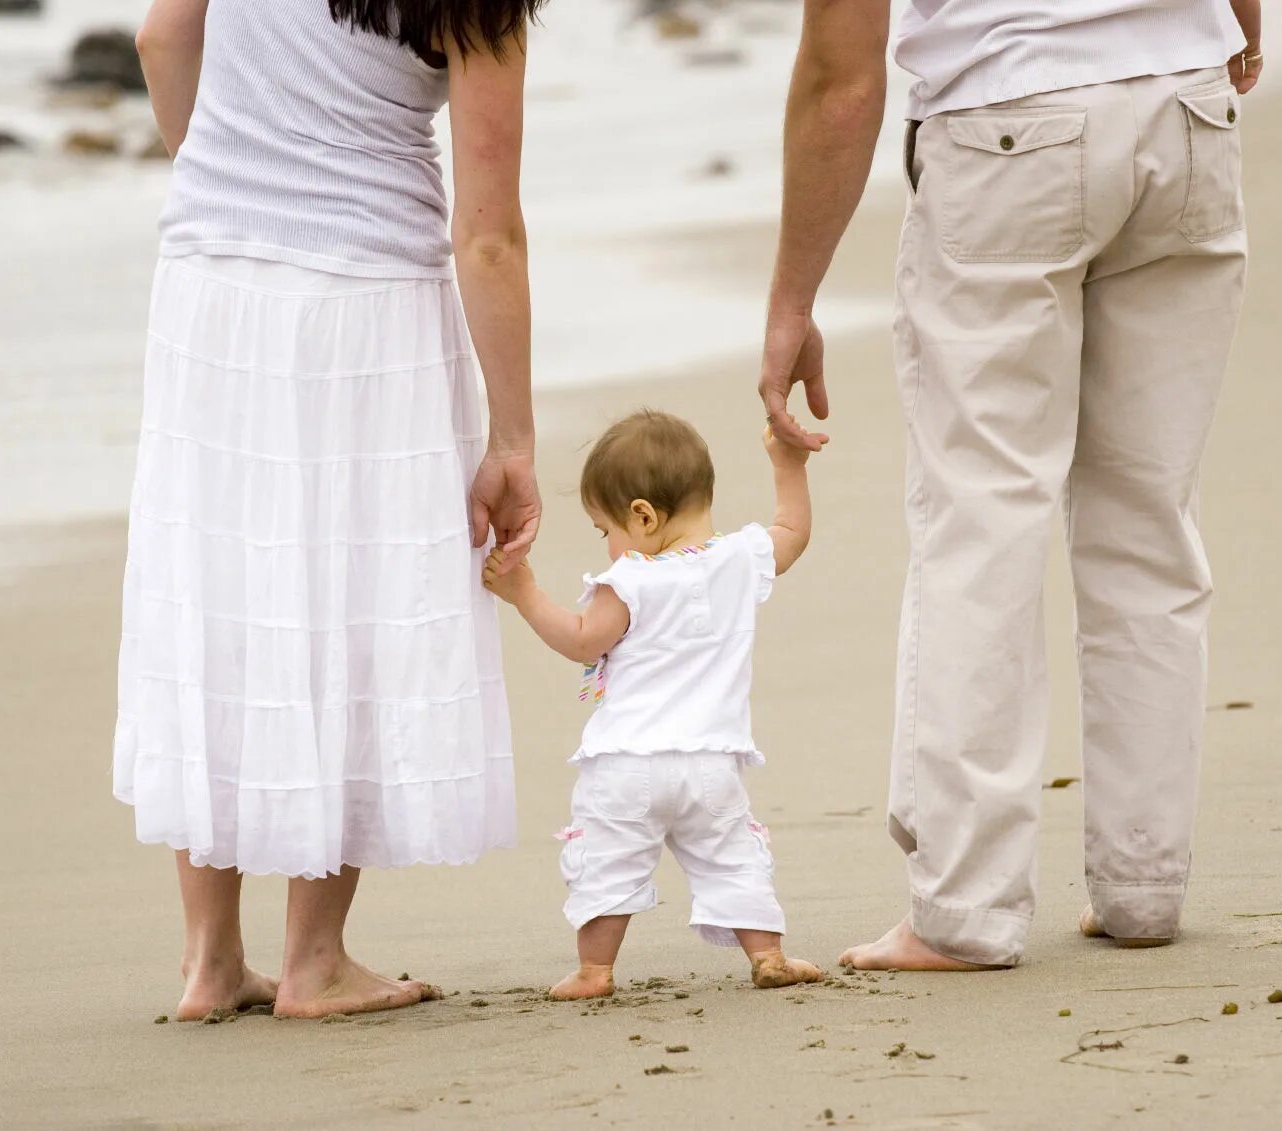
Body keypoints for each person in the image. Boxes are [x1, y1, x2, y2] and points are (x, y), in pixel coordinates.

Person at [760, 0, 1265, 970]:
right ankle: (1143, 885)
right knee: (1149, 512)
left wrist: (793, 294)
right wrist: (1236, 22)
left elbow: (841, 67)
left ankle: (966, 907)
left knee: (983, 519)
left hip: (1008, 121)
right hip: (1186, 103)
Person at [116, 0, 544, 1019]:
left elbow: (161, 39)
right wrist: (514, 437)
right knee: (347, 601)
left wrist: (226, 168)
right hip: (365, 300)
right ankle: (314, 958)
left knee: (220, 597)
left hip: (209, 281)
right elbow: (488, 236)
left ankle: (211, 961)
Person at [481, 411, 825, 999]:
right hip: (712, 764)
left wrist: (524, 594)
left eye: (603, 528)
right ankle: (767, 954)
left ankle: (595, 972)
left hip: (626, 763)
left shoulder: (632, 579)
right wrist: (787, 465)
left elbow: (585, 639)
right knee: (732, 858)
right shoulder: (740, 558)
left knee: (609, 862)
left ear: (642, 516)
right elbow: (792, 531)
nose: (608, 544)